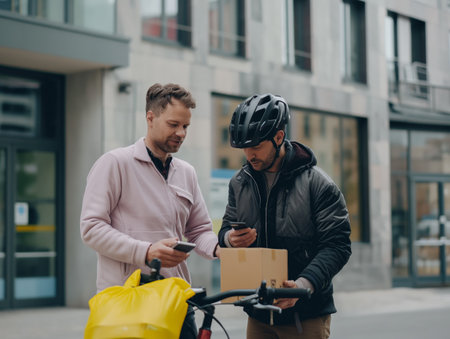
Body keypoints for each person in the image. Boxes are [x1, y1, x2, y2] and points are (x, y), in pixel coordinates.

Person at [80, 83, 220, 338]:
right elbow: (91, 228)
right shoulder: (114, 164)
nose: (181, 133)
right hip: (127, 300)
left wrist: (220, 248)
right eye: (173, 124)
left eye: (186, 126)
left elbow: (199, 230)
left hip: (176, 300)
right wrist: (145, 251)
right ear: (150, 117)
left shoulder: (186, 173)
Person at [218, 93, 352, 339]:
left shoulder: (318, 184)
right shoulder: (239, 183)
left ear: (279, 137)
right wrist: (229, 239)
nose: (249, 155)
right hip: (258, 314)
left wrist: (301, 287)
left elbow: (337, 246)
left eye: (256, 146)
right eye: (244, 147)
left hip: (306, 316)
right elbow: (225, 229)